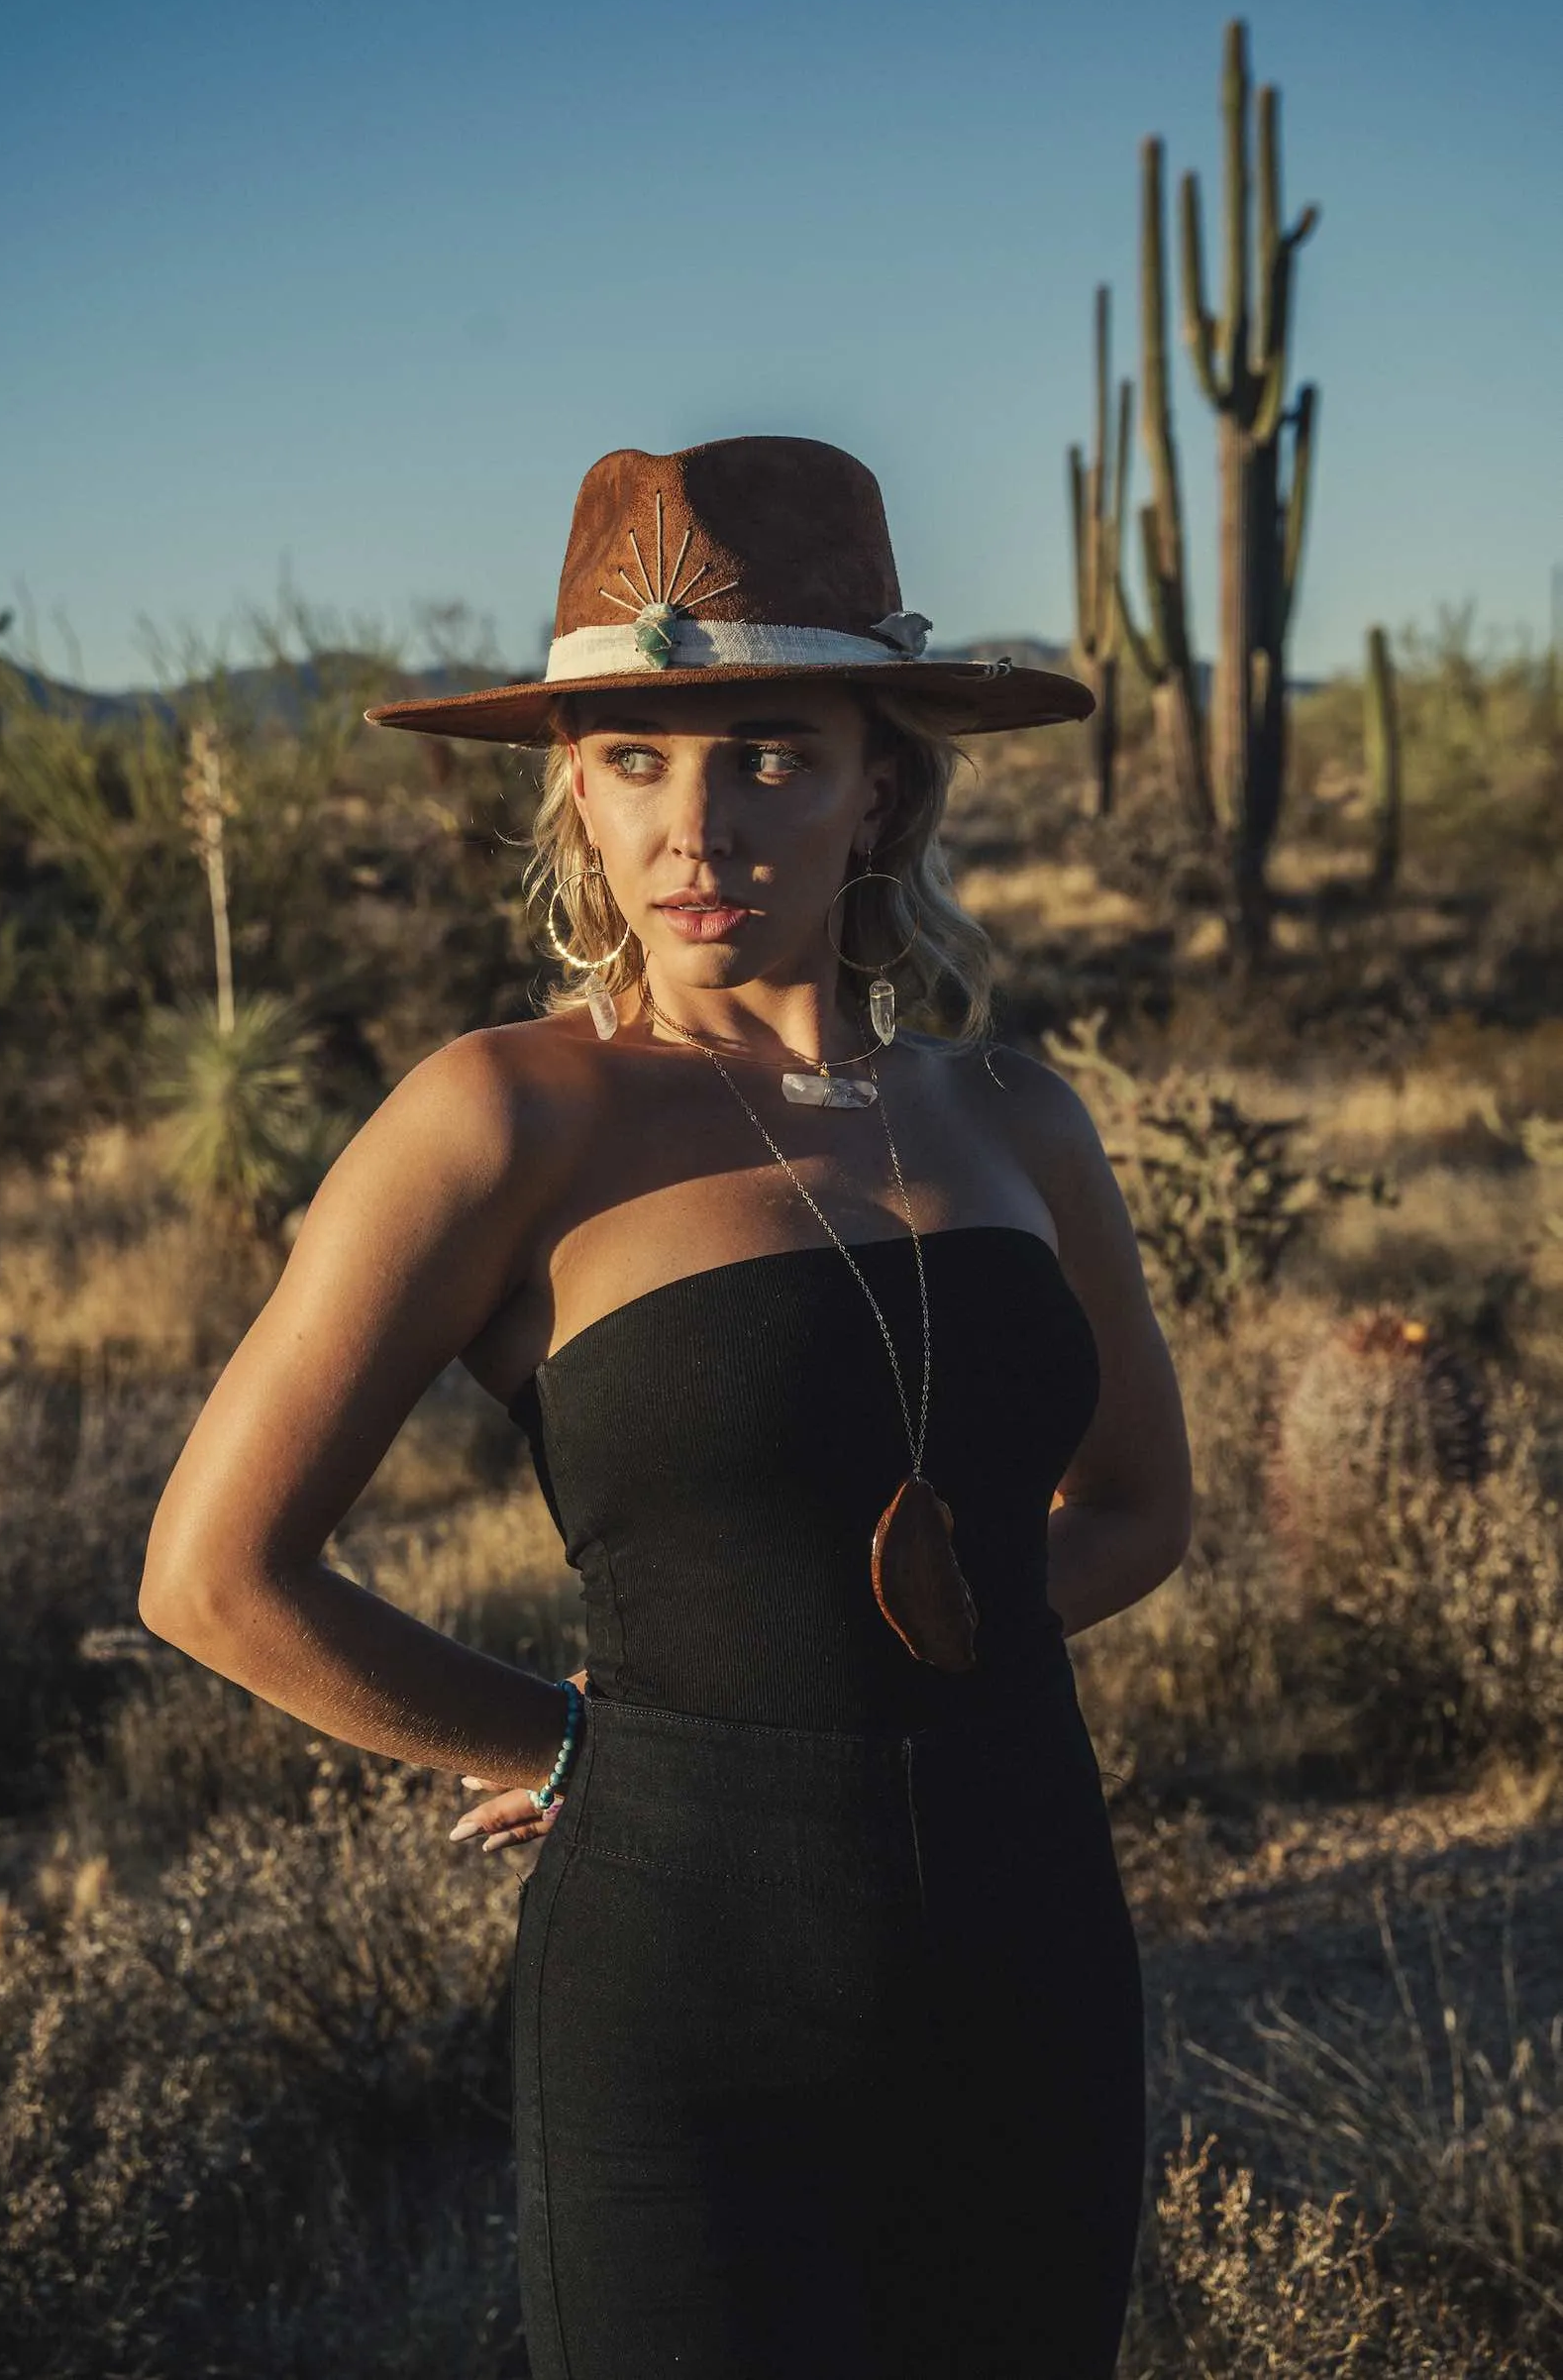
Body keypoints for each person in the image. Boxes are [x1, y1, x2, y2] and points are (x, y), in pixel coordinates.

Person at [140, 435, 1193, 2380]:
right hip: (690, 1991)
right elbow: (215, 1575)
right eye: (631, 755)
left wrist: (941, 1667)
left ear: (880, 782)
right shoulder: (503, 1115)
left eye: (764, 751)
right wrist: (578, 1742)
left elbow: (1132, 1506)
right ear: (572, 793)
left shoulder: (1012, 1118)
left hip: (1035, 1946)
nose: (692, 826)